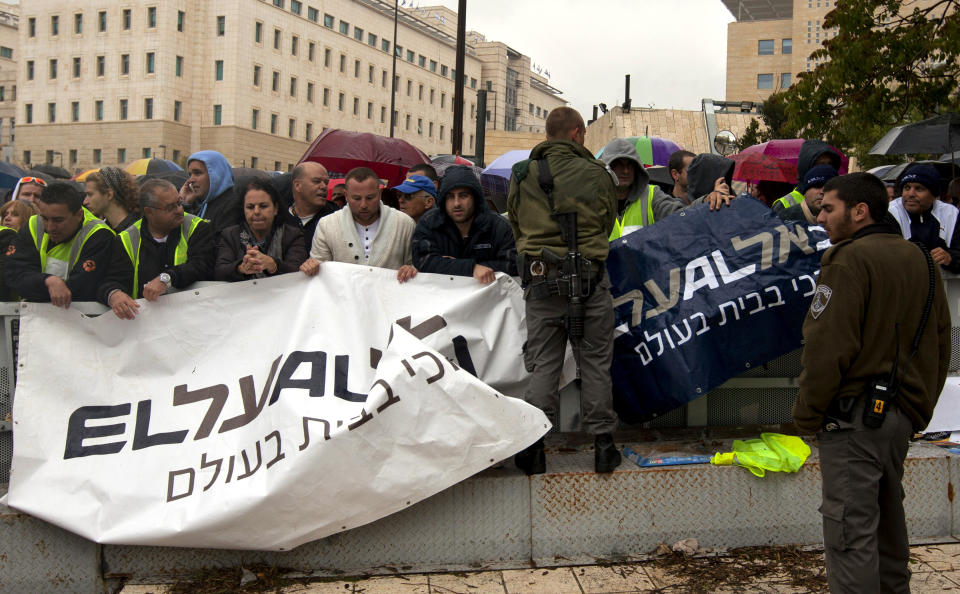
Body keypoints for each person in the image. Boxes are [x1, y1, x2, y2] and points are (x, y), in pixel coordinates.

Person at [793, 172, 950, 593]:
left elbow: (827, 348)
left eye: (829, 208)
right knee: (887, 527)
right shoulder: (919, 258)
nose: (821, 217)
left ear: (860, 211)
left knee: (850, 533)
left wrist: (807, 416)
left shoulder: (846, 260)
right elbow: (941, 339)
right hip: (899, 417)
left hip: (853, 421)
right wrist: (918, 408)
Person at [507, 106, 621, 475]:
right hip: (589, 281)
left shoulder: (523, 174)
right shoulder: (597, 173)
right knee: (595, 365)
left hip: (541, 282)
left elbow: (516, 224)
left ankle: (534, 448)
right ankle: (603, 446)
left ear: (547, 132)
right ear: (576, 132)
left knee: (544, 366)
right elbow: (606, 223)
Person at [99, 179, 214, 319]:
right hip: (147, 327)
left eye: (179, 203)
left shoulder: (197, 228)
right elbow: (111, 279)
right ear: (149, 212)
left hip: (193, 319)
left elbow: (202, 264)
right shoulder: (125, 239)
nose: (179, 210)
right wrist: (113, 294)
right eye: (170, 207)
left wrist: (167, 278)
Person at [5, 181, 114, 307]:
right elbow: (13, 273)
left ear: (79, 215)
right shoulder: (33, 224)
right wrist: (47, 281)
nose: (50, 227)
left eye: (58, 220)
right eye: (45, 218)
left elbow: (82, 288)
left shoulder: (99, 234)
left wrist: (34, 285)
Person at [300, 167, 417, 283]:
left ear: (379, 193)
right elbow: (319, 269)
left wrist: (411, 269)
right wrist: (312, 266)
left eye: (370, 198)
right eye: (356, 198)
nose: (364, 205)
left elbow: (415, 265)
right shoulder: (327, 225)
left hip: (389, 299)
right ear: (346, 195)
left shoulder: (404, 224)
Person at [601, 140, 732, 239]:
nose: (626, 170)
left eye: (630, 165)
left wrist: (706, 201)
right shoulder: (593, 200)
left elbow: (681, 215)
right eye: (618, 165)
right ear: (607, 168)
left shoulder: (652, 195)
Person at [412, 165, 516, 282]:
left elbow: (512, 264)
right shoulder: (429, 223)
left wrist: (452, 264)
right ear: (443, 200)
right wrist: (471, 268)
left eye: (463, 196)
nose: (456, 203)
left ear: (475, 198)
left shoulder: (498, 227)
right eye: (450, 196)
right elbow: (423, 260)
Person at [215, 178, 307, 281]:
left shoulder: (293, 235)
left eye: (263, 206)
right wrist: (241, 268)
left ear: (275, 209)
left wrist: (273, 265)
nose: (256, 212)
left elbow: (299, 272)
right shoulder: (230, 235)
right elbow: (219, 271)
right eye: (250, 207)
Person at [887, 164, 960, 273]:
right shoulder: (890, 212)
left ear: (934, 195)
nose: (911, 194)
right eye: (907, 188)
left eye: (919, 188)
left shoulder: (950, 213)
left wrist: (950, 258)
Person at [179, 150, 241, 236]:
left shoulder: (232, 206)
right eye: (190, 174)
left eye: (197, 173)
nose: (191, 180)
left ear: (216, 174)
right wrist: (185, 203)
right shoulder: (199, 205)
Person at [772, 140, 843, 213]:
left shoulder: (839, 200)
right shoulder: (783, 205)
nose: (826, 169)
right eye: (819, 164)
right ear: (805, 167)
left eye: (829, 164)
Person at [284, 161, 338, 251]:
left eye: (326, 182)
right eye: (316, 181)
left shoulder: (335, 219)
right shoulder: (278, 219)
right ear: (297, 185)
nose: (324, 187)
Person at [83, 167, 140, 233]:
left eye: (90, 194)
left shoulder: (137, 230)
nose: (85, 202)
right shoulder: (103, 232)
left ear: (109, 194)